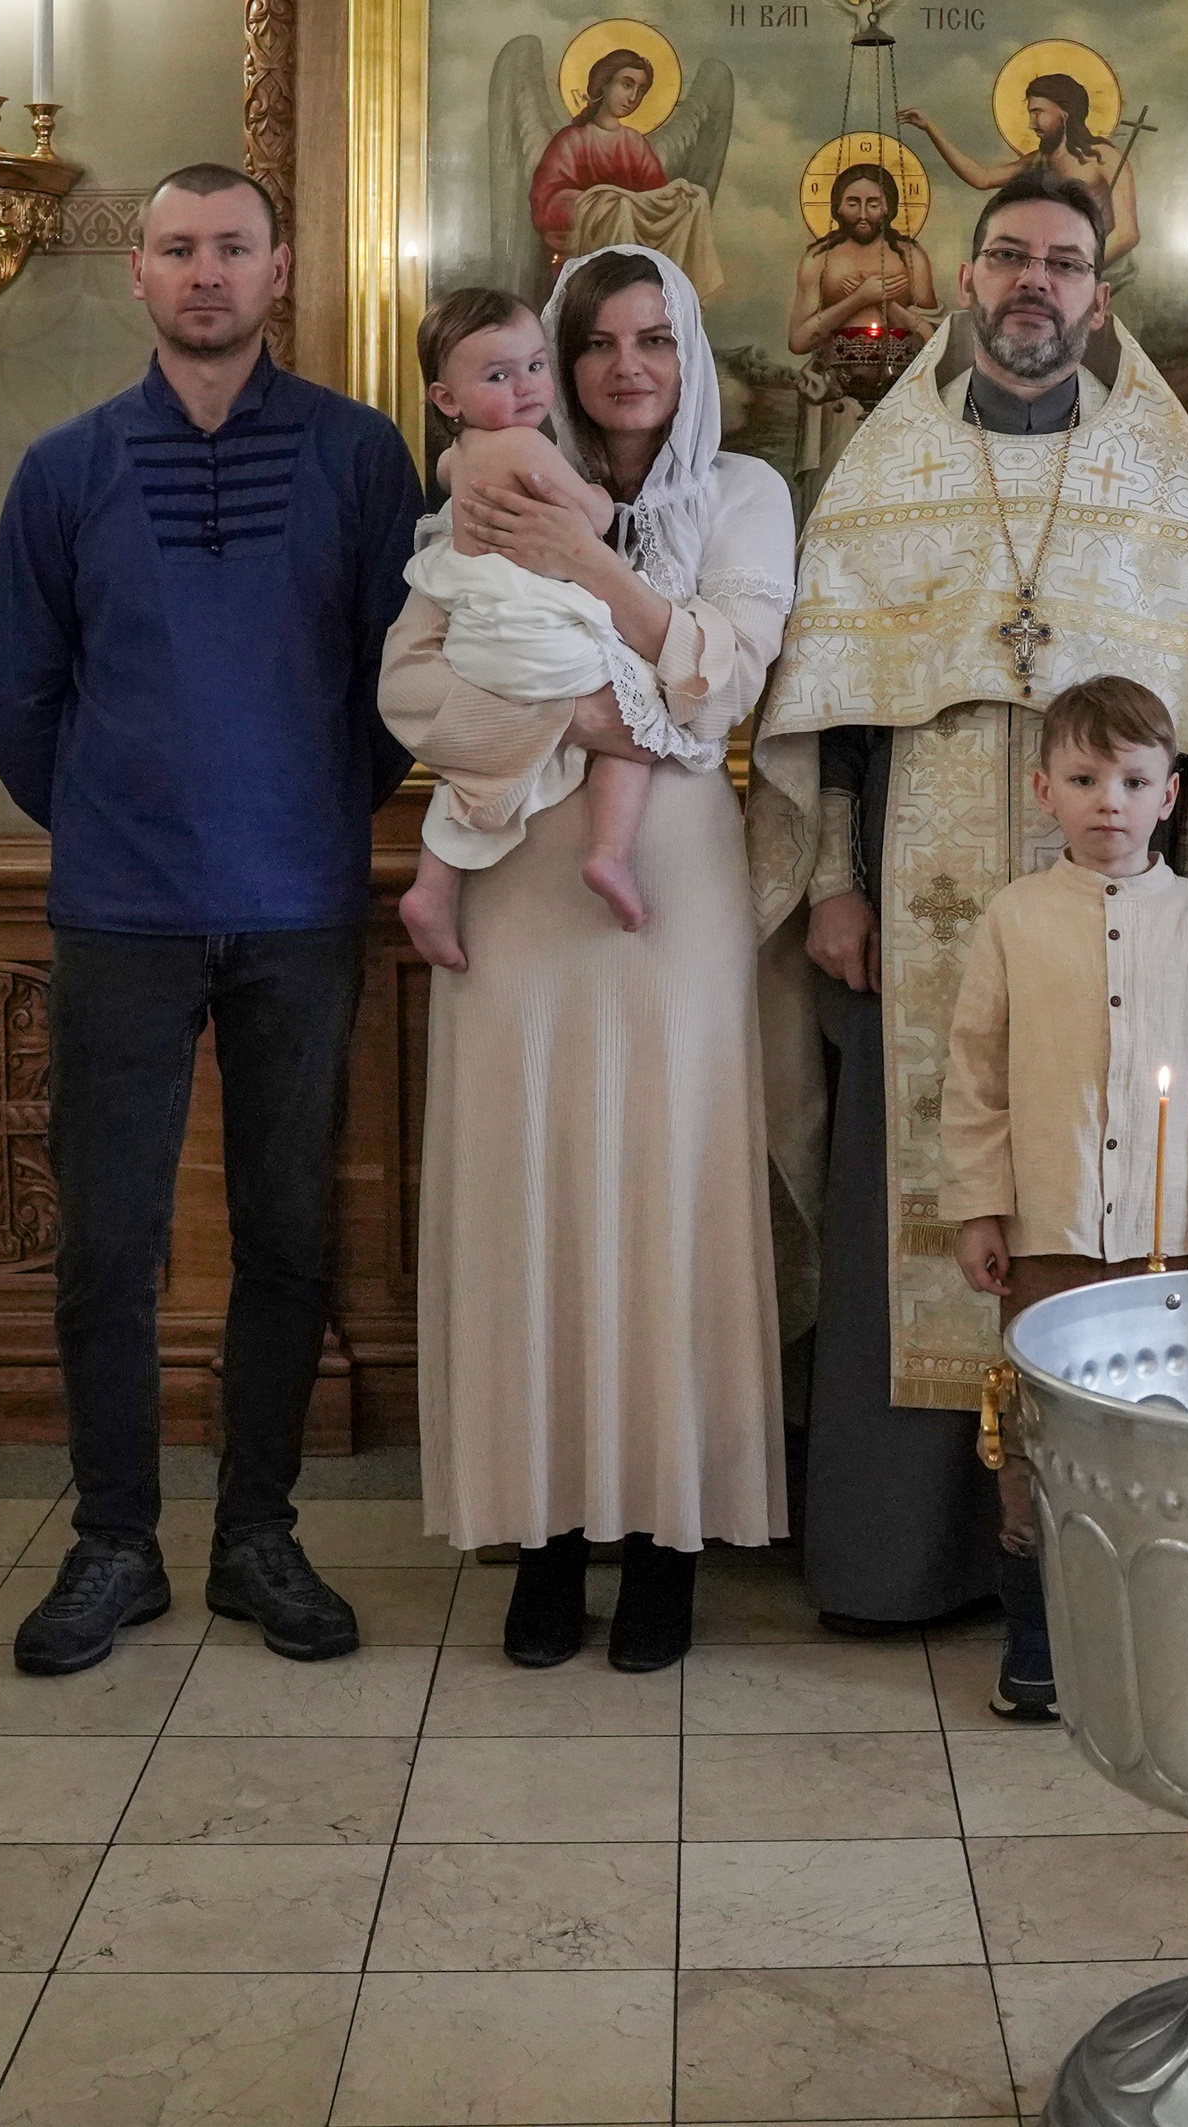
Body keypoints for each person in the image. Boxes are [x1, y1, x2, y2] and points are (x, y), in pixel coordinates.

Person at [749, 175, 1188, 1632]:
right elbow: (843, 713)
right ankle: (906, 1559)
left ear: (1100, 298)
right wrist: (830, 883)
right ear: (969, 281)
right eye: (1008, 257)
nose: (1033, 284)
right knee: (924, 1209)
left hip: (1131, 922)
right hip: (915, 905)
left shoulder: (1167, 487)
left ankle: (1110, 1570)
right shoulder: (888, 470)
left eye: (1064, 263)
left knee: (1120, 1221)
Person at [0, 162, 422, 1675]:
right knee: (108, 1241)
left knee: (289, 1230)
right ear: (138, 275)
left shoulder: (363, 459)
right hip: (121, 909)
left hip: (304, 901)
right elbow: (16, 703)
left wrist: (299, 812)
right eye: (178, 249)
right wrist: (127, 820)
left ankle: (256, 1535)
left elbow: (395, 692)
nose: (207, 272)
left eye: (234, 246)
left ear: (281, 266)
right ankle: (114, 1539)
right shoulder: (67, 466)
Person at [379, 246, 793, 1673]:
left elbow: (723, 672)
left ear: (691, 357)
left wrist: (593, 573)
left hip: (669, 880)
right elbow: (416, 687)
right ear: (556, 354)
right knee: (531, 1185)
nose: (629, 367)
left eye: (656, 340)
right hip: (513, 873)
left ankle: (668, 1536)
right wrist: (583, 723)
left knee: (664, 1187)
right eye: (600, 340)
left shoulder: (747, 497)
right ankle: (544, 1533)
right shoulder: (493, 487)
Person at [941, 677, 1188, 1717]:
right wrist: (978, 1206)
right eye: (1084, 778)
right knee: (1039, 1436)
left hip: (1170, 1242)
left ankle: (1160, 1636)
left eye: (1132, 780)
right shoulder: (1012, 918)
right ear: (1044, 788)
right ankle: (1037, 1639)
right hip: (1047, 1233)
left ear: (1169, 794)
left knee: (1164, 1435)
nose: (1108, 801)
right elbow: (975, 1076)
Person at [395, 288, 668, 960]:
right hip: (531, 633)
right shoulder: (525, 446)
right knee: (641, 706)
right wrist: (599, 499)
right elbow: (595, 518)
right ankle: (608, 852)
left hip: (476, 643)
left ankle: (433, 885)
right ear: (445, 399)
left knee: (480, 771)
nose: (525, 388)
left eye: (535, 366)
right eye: (497, 376)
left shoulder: (458, 457)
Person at [528, 49, 725, 299]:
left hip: (635, 261)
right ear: (604, 84)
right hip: (584, 265)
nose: (633, 97)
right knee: (618, 206)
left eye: (641, 91)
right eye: (627, 84)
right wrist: (607, 204)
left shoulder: (634, 143)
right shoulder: (571, 141)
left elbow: (655, 201)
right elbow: (547, 206)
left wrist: (677, 195)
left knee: (693, 198)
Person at [899, 75, 1141, 264]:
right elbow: (982, 178)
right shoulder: (1038, 161)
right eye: (1030, 114)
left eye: (1038, 113)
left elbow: (1127, 234)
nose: (1031, 124)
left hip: (1101, 269)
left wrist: (1086, 268)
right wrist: (930, 128)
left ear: (1065, 113)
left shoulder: (1105, 159)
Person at [787, 161, 941, 354]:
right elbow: (798, 341)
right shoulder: (817, 259)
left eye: (873, 205)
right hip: (834, 373)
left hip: (900, 374)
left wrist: (883, 301)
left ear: (887, 208)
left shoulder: (910, 257)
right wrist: (858, 299)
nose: (862, 214)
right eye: (852, 204)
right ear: (838, 208)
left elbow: (933, 340)